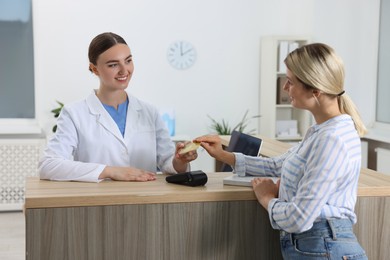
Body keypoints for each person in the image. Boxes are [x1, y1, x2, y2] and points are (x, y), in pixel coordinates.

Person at [195, 43, 368, 259]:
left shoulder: (331, 139)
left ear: (316, 90)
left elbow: (300, 218)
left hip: (322, 247)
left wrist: (267, 198)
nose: (285, 88)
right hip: (317, 245)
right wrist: (225, 155)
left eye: (291, 82)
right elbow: (280, 165)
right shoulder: (321, 131)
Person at [39, 32, 197, 183]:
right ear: (94, 69)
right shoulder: (74, 113)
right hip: (99, 202)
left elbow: (167, 163)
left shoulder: (150, 112)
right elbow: (48, 165)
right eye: (113, 64)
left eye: (128, 61)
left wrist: (179, 161)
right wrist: (111, 171)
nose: (124, 70)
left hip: (147, 199)